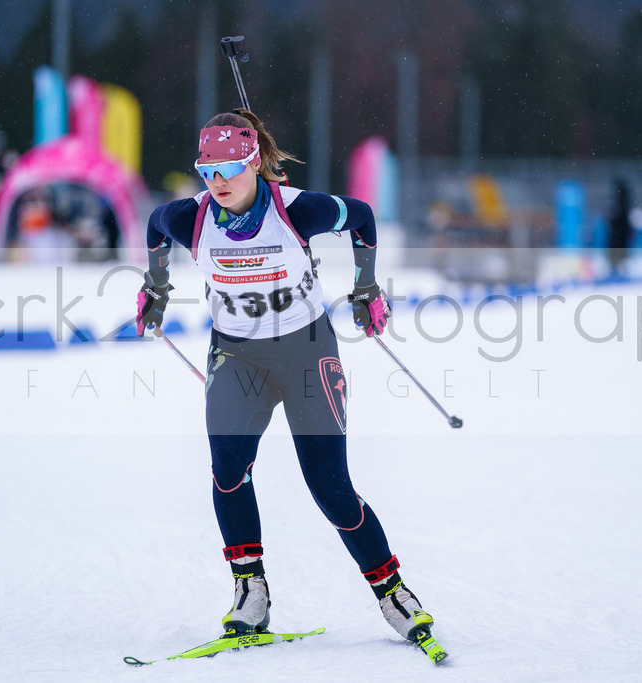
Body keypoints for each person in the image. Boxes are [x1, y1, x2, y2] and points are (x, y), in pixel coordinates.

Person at [134, 109, 436, 645]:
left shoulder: (297, 210)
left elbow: (363, 216)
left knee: (330, 487)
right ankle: (250, 592)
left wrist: (366, 288)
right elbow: (156, 225)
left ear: (253, 162)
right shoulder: (193, 218)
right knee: (227, 469)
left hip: (305, 351)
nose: (217, 182)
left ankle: (393, 593)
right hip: (237, 356)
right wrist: (154, 286)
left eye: (228, 169)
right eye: (207, 171)